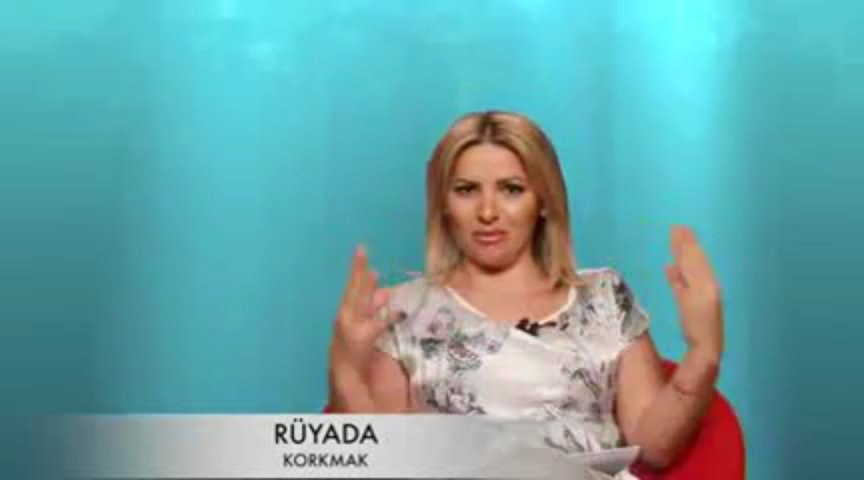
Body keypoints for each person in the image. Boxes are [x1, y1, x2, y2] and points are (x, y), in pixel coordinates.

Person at [327, 111, 724, 478]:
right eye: (466, 190)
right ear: (444, 205)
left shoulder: (604, 297)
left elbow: (655, 447)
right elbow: (379, 464)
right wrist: (345, 371)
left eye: (511, 190)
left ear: (543, 201)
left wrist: (703, 353)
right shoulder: (405, 311)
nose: (487, 212)